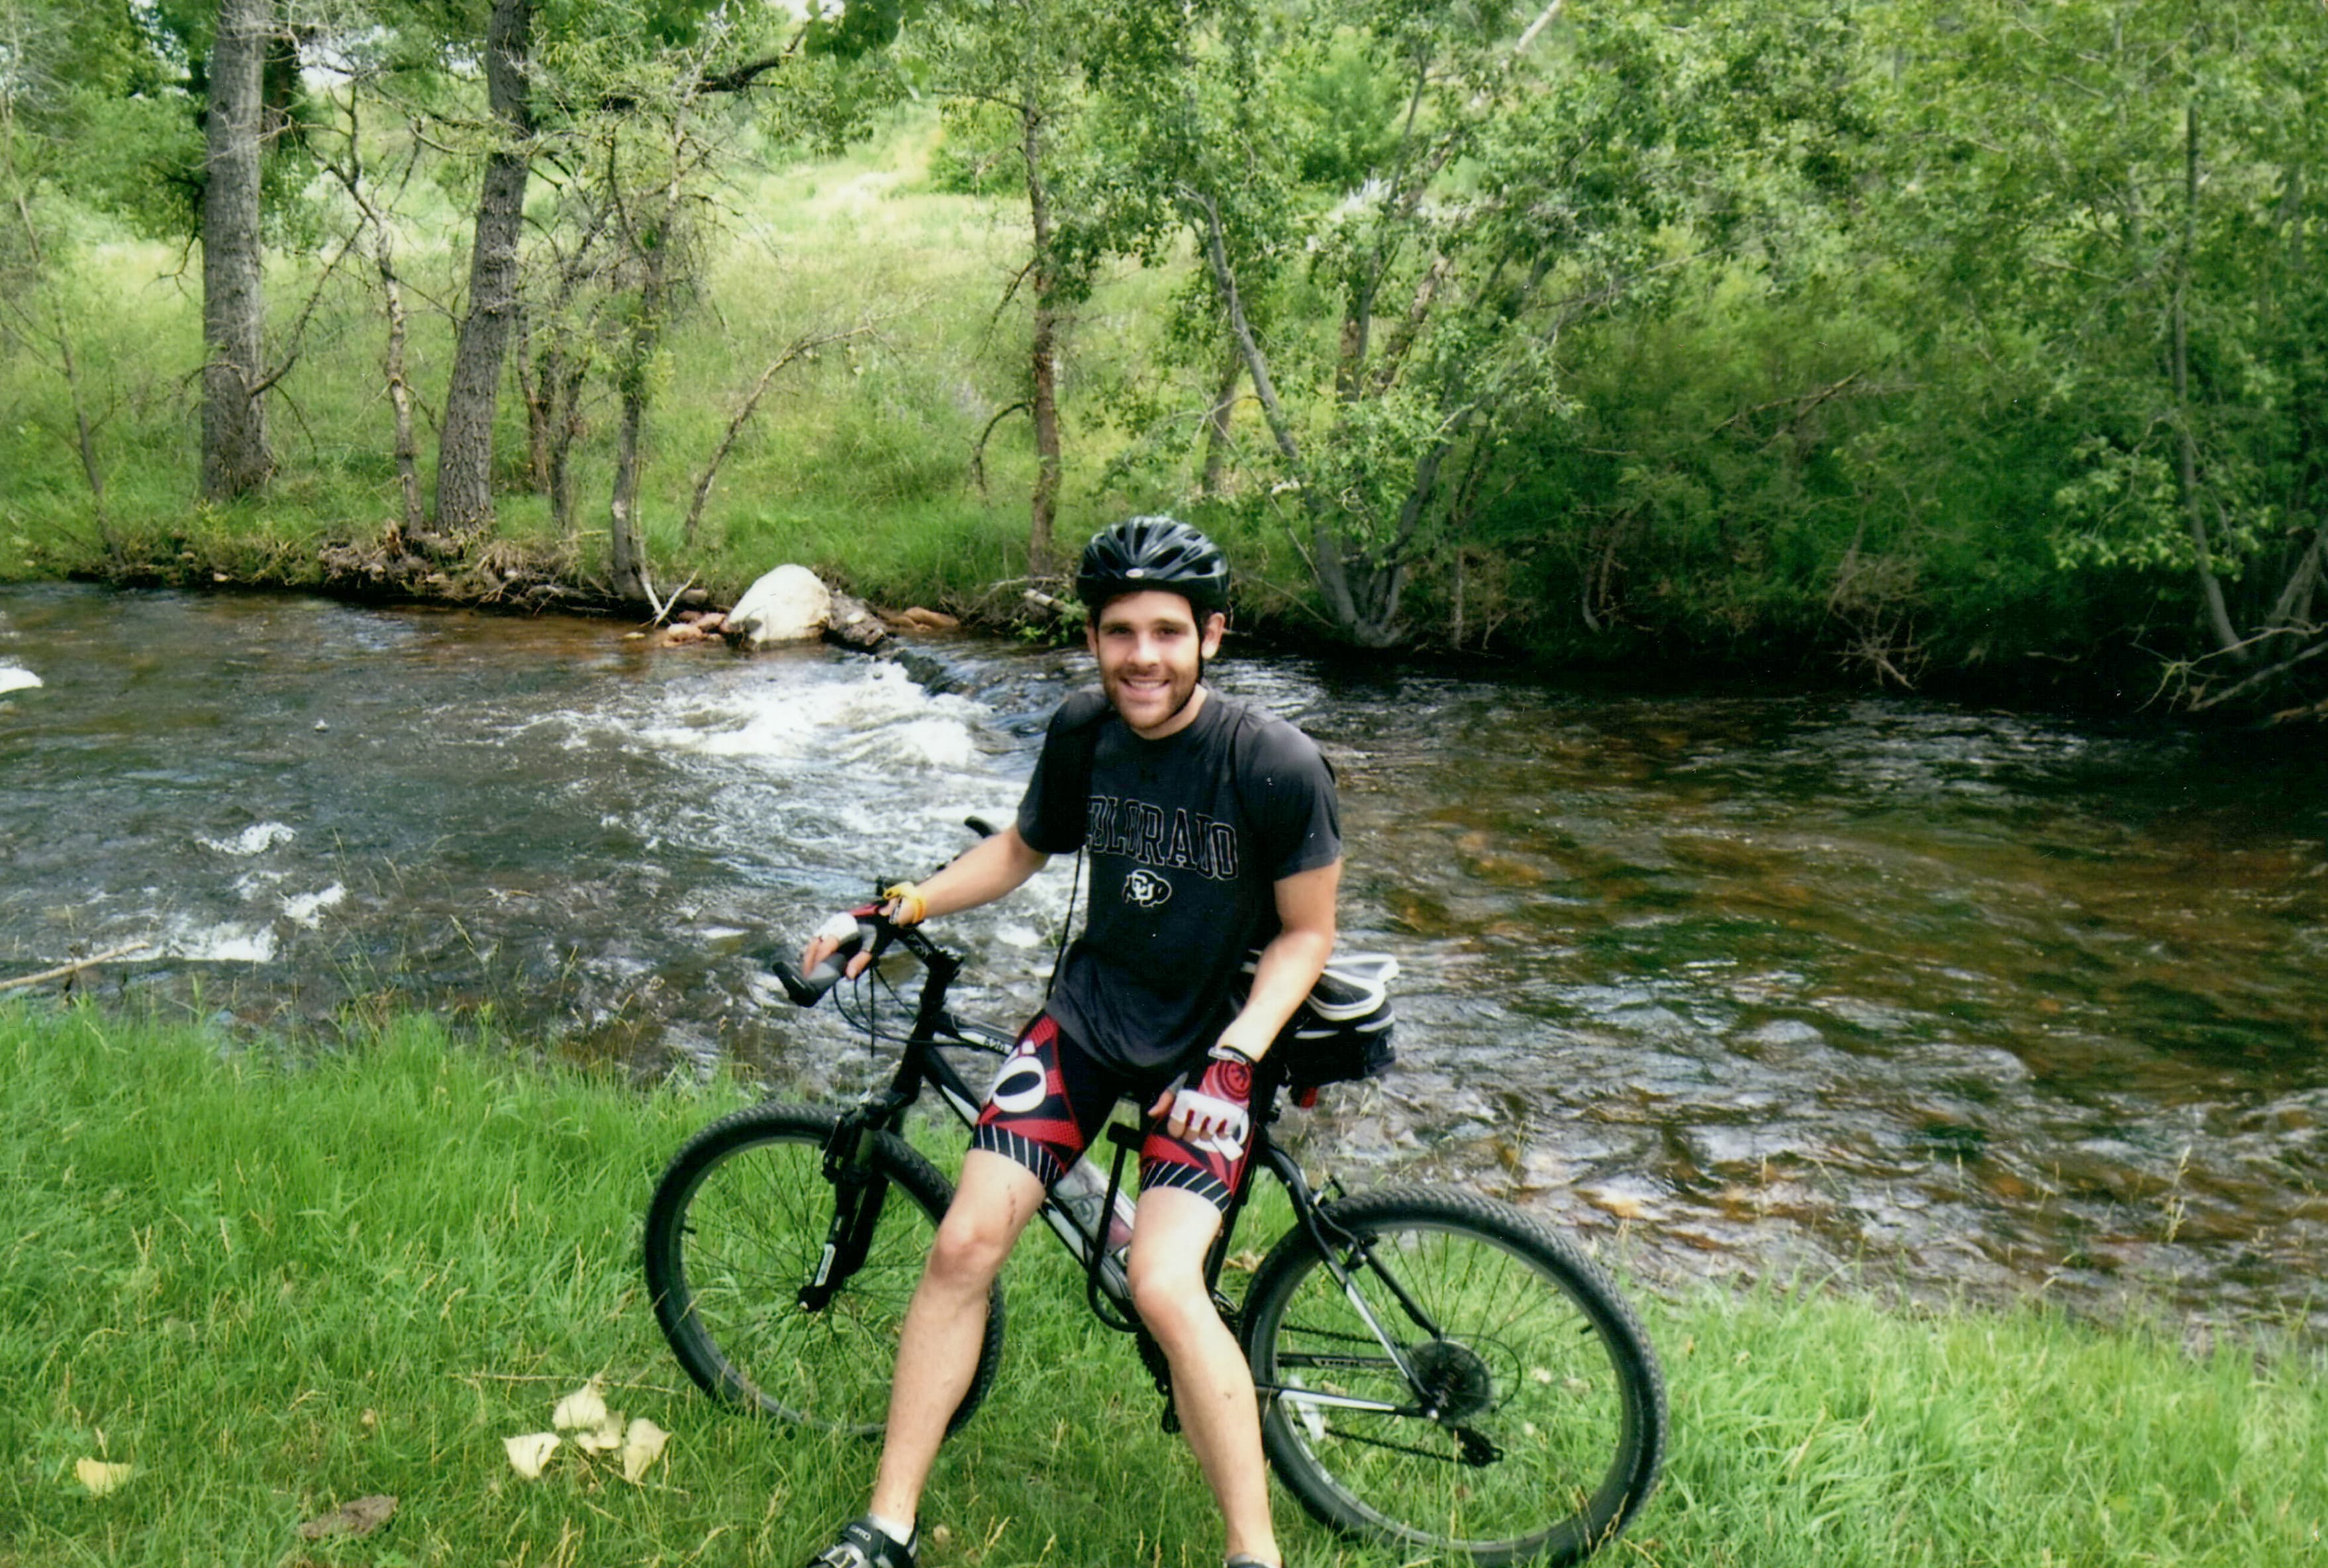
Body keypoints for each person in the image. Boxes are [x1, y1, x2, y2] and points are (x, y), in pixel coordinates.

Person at [797, 516, 1341, 1568]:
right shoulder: (1085, 730)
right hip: (1087, 1024)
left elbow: (1308, 936)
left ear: (1211, 637)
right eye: (1120, 633)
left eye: (1167, 633)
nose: (1143, 657)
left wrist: (1234, 1060)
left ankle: (1254, 1557)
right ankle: (885, 1530)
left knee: (1164, 1286)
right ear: (1093, 639)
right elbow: (1021, 848)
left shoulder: (1273, 763)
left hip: (1212, 1049)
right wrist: (896, 911)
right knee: (962, 1244)